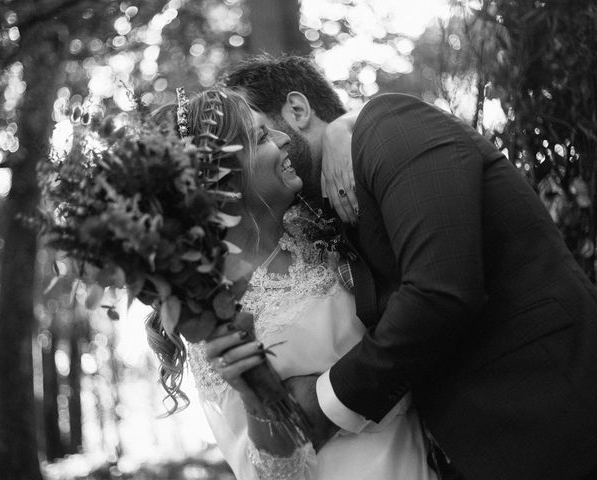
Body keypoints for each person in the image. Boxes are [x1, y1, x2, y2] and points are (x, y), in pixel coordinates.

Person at [223, 55, 597, 480]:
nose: (271, 142)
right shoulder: (312, 218)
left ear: (297, 109)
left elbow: (441, 290)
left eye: (257, 130)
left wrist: (323, 404)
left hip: (560, 412)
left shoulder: (390, 127)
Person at [147, 88, 437, 480]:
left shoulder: (314, 223)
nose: (284, 138)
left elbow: (377, 118)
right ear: (223, 180)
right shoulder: (215, 310)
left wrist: (337, 131)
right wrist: (256, 398)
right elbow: (272, 473)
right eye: (263, 137)